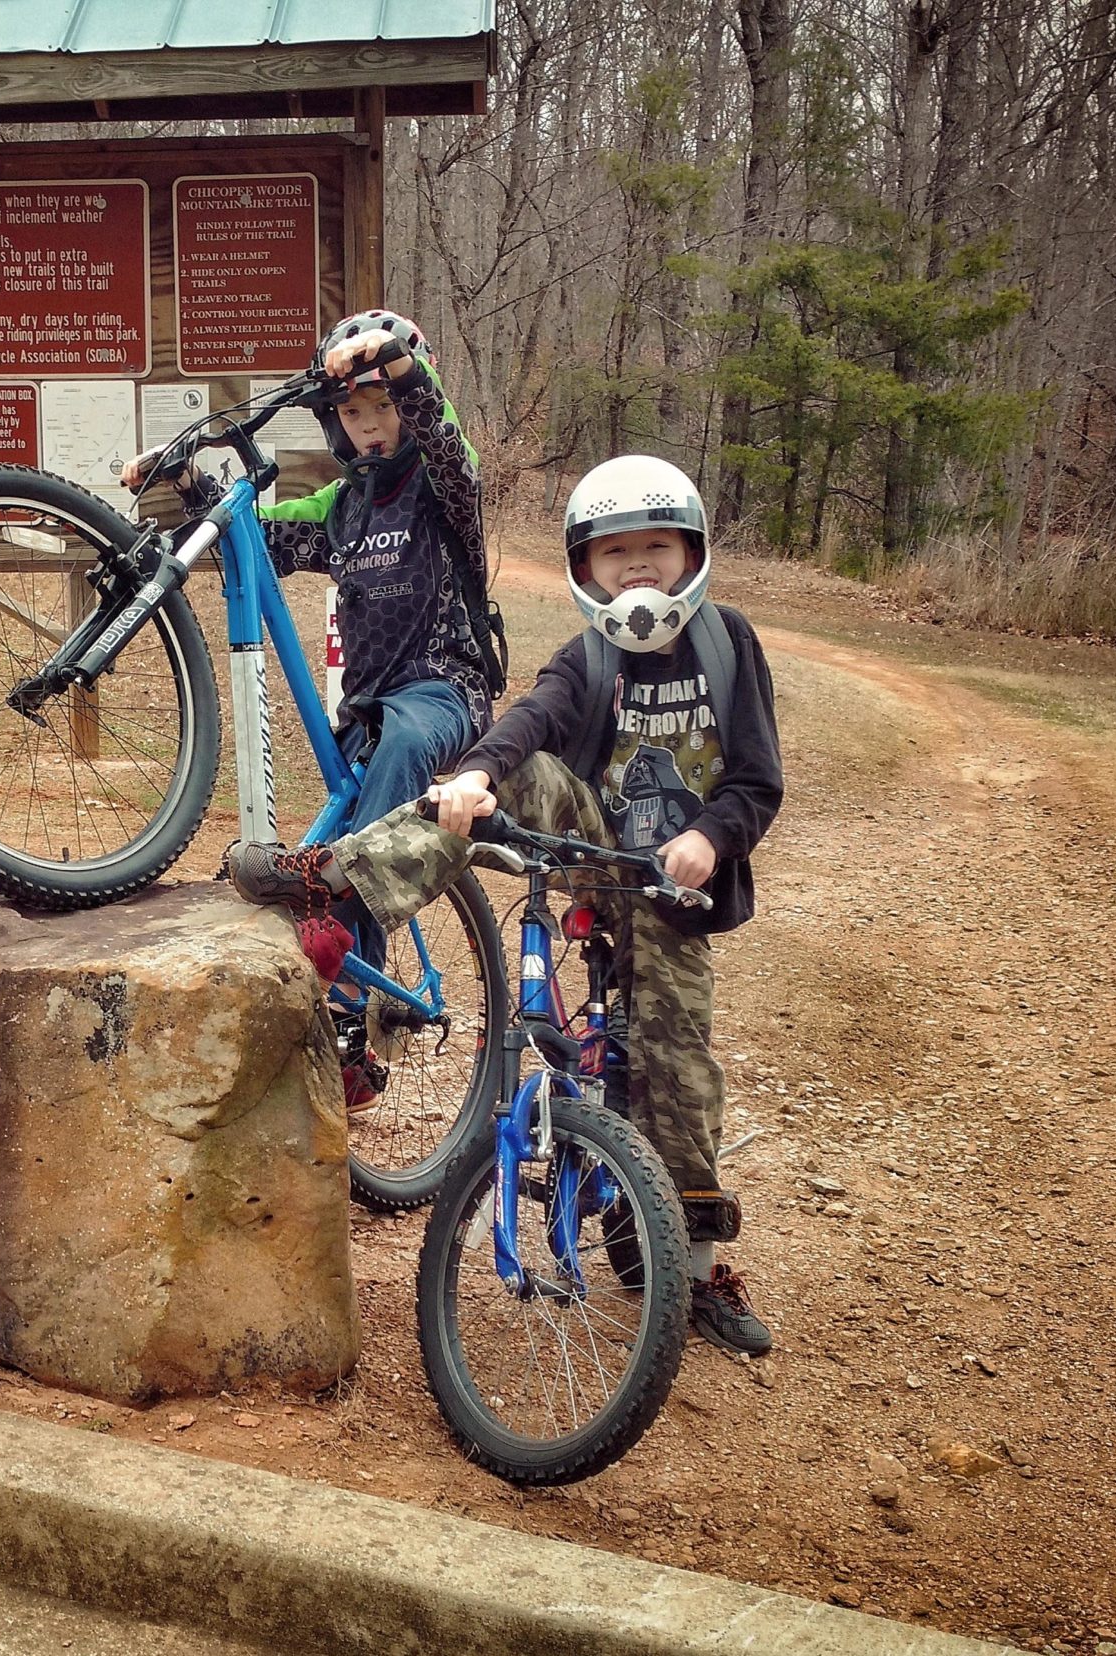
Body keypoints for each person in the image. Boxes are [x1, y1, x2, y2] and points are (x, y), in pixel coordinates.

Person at [227, 454, 785, 1356]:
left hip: (675, 892)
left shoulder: (729, 645)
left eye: (656, 550)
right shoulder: (589, 654)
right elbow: (535, 717)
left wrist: (713, 836)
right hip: (595, 849)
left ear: (692, 553)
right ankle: (340, 877)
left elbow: (758, 782)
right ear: (585, 568)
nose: (636, 569)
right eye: (616, 555)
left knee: (679, 1067)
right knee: (499, 775)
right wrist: (477, 772)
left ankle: (697, 1262)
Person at [120, 310, 504, 1107]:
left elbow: (450, 446)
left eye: (382, 408)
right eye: (354, 413)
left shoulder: (442, 488)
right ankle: (347, 1047)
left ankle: (349, 993)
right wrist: (182, 483)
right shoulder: (339, 506)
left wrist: (401, 368)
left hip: (443, 690)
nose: (370, 427)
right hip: (367, 713)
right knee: (306, 858)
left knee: (395, 756)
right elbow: (251, 539)